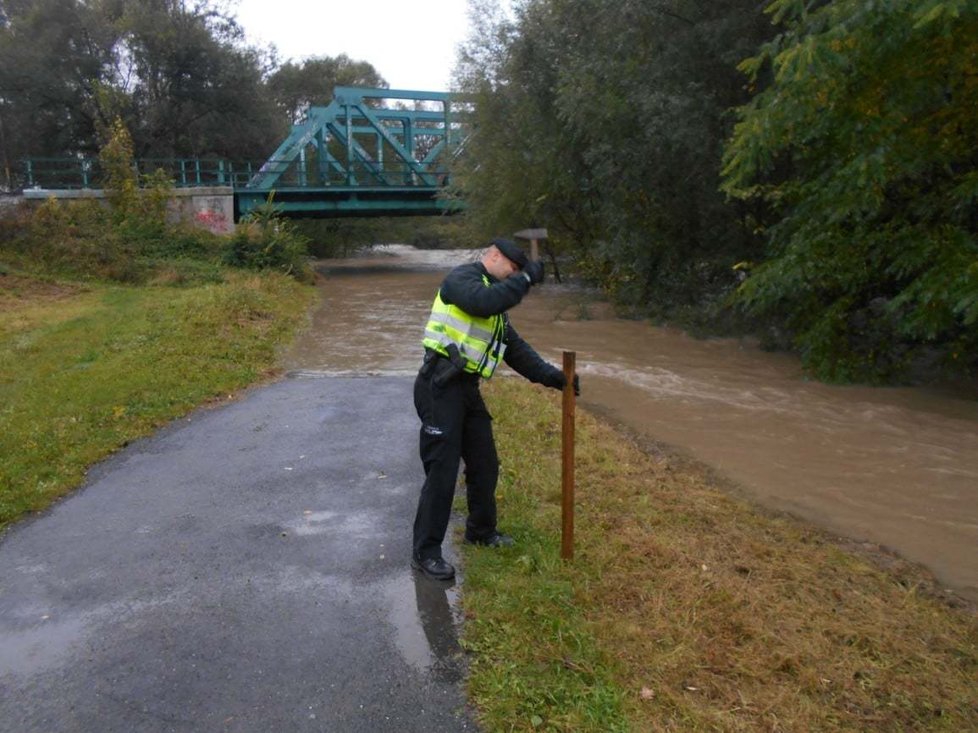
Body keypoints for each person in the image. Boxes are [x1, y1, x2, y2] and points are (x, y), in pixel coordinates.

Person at [411, 238, 580, 581]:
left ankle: (481, 531)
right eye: (512, 269)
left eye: (519, 271)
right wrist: (527, 280)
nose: (514, 276)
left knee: (485, 463)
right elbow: (482, 302)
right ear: (494, 256)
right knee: (442, 472)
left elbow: (515, 350)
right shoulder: (462, 280)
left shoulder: (497, 311)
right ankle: (425, 552)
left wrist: (557, 378)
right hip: (438, 387)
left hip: (466, 389)